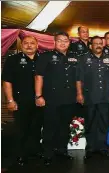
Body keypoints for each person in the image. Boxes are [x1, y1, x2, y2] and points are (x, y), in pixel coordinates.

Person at [35, 32, 77, 166]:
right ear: (54, 42)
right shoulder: (45, 56)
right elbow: (38, 77)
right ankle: (48, 153)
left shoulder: (73, 58)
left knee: (64, 127)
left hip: (69, 98)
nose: (63, 43)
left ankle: (62, 150)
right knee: (49, 126)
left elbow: (78, 79)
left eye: (66, 41)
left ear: (69, 43)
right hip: (51, 98)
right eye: (60, 41)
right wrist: (38, 96)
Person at [2, 36, 43, 166]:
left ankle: (34, 151)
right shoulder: (13, 60)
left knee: (36, 127)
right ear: (21, 45)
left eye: (32, 43)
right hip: (20, 101)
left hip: (39, 101)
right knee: (21, 129)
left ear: (37, 45)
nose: (29, 45)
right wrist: (10, 100)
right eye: (26, 43)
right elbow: (7, 81)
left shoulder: (42, 59)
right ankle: (20, 155)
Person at [76, 36, 109, 159]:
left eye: (100, 43)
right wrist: (79, 94)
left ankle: (103, 147)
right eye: (95, 43)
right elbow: (79, 79)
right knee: (90, 122)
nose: (98, 45)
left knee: (103, 122)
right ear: (90, 46)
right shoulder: (83, 59)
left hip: (105, 95)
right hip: (89, 96)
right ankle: (91, 148)